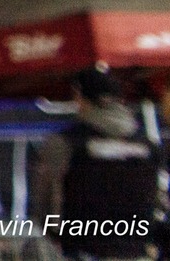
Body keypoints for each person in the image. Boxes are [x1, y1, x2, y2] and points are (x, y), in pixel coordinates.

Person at [34, 67, 167, 260]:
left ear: (79, 96)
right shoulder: (148, 147)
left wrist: (57, 236)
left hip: (82, 250)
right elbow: (158, 203)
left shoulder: (66, 143)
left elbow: (45, 203)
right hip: (137, 252)